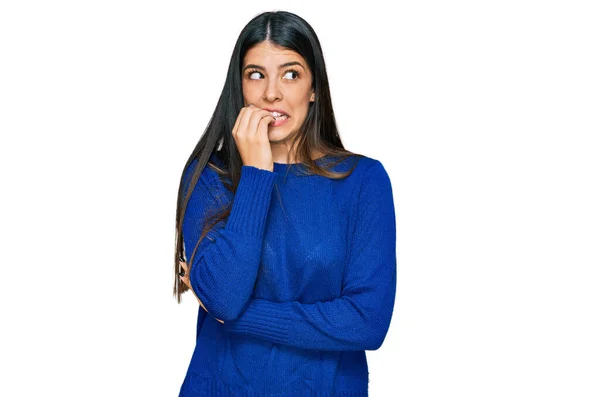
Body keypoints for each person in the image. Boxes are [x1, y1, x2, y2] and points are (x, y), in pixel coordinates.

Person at [173, 10, 397, 396]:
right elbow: (224, 296)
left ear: (313, 88)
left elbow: (367, 322)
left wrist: (239, 317)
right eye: (255, 75)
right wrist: (258, 173)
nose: (271, 93)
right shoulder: (209, 178)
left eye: (291, 74)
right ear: (239, 87)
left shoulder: (363, 181)